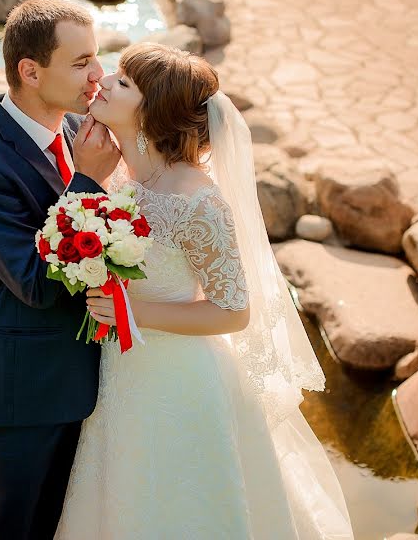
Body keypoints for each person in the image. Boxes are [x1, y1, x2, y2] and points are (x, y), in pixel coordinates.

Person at [54, 42, 356, 539]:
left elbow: (234, 312)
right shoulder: (121, 176)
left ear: (154, 111)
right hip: (123, 373)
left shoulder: (196, 201)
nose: (104, 79)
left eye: (124, 83)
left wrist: (132, 311)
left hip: (180, 379)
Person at [0, 0, 121, 540]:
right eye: (81, 61)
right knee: (6, 530)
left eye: (97, 57)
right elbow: (37, 284)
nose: (98, 74)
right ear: (29, 71)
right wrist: (89, 183)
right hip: (20, 393)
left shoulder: (72, 133)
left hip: (84, 379)